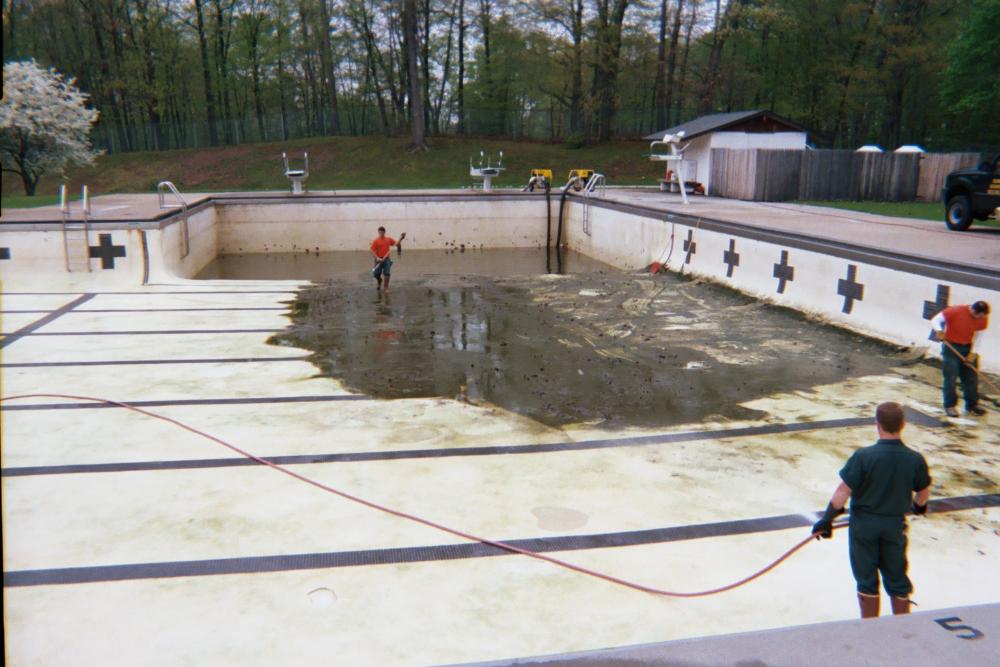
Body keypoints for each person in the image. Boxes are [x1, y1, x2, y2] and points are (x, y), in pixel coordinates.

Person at [812, 401, 931, 619]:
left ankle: (870, 627)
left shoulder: (863, 457)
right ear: (903, 424)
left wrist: (827, 519)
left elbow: (842, 491)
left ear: (877, 425)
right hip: (894, 526)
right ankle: (903, 626)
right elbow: (923, 492)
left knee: (867, 580)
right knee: (897, 578)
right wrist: (919, 507)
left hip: (864, 527)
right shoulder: (914, 459)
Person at [931, 300, 990, 417]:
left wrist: (973, 353)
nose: (980, 318)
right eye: (978, 315)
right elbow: (935, 320)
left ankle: (972, 405)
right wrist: (939, 330)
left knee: (971, 377)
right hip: (951, 347)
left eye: (982, 316)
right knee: (951, 377)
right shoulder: (955, 311)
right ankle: (950, 406)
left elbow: (979, 336)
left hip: (967, 347)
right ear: (973, 310)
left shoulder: (982, 318)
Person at [370, 227, 405, 292]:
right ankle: (379, 280)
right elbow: (372, 250)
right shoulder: (376, 241)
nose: (380, 233)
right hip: (378, 259)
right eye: (379, 232)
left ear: (384, 232)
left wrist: (401, 238)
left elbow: (396, 244)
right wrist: (377, 258)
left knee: (387, 273)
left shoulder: (388, 239)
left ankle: (386, 288)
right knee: (376, 274)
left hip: (386, 259)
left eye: (381, 232)